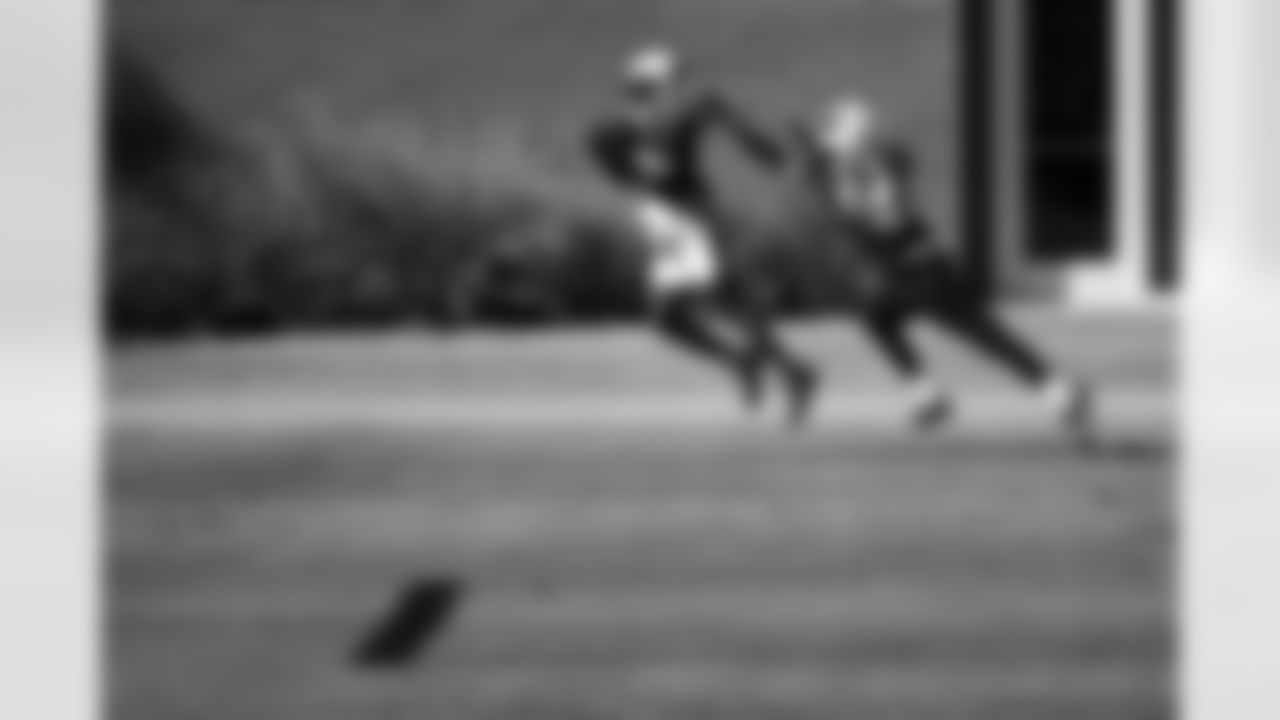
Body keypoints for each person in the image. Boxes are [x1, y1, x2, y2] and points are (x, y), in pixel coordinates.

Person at [791, 96, 1095, 433]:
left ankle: (1057, 390)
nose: (830, 143)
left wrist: (836, 188)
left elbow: (871, 212)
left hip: (920, 268)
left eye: (833, 133)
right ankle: (925, 395)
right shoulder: (865, 163)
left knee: (980, 332)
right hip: (902, 270)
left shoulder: (866, 168)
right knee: (875, 315)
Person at [587, 45, 819, 425]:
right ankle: (758, 364)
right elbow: (640, 172)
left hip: (696, 219)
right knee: (667, 318)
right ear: (647, 87)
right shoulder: (612, 135)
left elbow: (730, 129)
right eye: (670, 81)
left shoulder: (681, 119)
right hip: (669, 225)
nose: (677, 88)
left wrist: (774, 157)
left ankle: (790, 371)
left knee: (721, 294)